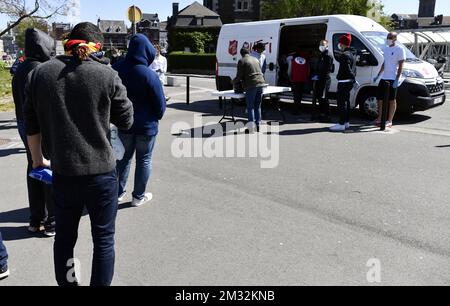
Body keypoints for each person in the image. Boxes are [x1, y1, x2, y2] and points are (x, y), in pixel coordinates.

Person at [24, 22, 134, 286]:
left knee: (64, 239)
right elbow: (127, 120)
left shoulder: (40, 74)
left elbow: (31, 125)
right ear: (97, 46)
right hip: (101, 174)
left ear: (69, 42)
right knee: (104, 240)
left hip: (63, 171)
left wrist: (37, 160)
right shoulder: (106, 75)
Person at [113, 34, 166, 207]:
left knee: (123, 159)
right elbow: (160, 105)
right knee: (144, 160)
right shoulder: (149, 75)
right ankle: (138, 196)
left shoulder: (116, 69)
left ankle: (118, 193)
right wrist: (156, 116)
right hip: (146, 125)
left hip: (123, 123)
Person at [12, 28, 55, 237]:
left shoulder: (20, 69)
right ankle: (51, 221)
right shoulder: (40, 70)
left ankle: (35, 219)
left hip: (23, 125)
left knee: (33, 167)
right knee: (47, 169)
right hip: (40, 126)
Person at [372, 32, 406, 128]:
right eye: (387, 37)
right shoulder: (386, 49)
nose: (388, 39)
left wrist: (397, 78)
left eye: (390, 37)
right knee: (380, 99)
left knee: (392, 99)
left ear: (395, 39)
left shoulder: (400, 49)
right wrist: (378, 74)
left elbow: (401, 64)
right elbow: (385, 63)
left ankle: (390, 120)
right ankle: (379, 118)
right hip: (384, 77)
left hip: (393, 78)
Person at [234, 47, 266, 133]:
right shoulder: (255, 59)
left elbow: (239, 76)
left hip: (251, 85)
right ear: (248, 52)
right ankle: (258, 125)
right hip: (261, 83)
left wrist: (233, 81)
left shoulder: (242, 61)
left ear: (241, 54)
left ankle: (251, 128)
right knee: (257, 106)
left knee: (250, 107)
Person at [330, 34, 357, 132]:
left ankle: (341, 123)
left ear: (342, 44)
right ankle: (346, 122)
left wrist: (351, 76)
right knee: (346, 102)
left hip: (344, 81)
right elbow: (354, 69)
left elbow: (347, 69)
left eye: (340, 43)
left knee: (341, 103)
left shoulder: (344, 55)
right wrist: (353, 78)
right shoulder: (352, 54)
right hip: (348, 82)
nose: (339, 45)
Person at [314, 40, 334, 122]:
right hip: (320, 79)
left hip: (325, 80)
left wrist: (319, 75)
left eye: (323, 44)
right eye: (320, 44)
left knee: (324, 98)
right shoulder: (322, 54)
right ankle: (322, 114)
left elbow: (326, 69)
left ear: (327, 46)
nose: (321, 46)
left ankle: (327, 116)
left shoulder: (328, 55)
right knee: (320, 98)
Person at [287, 46, 310, 115]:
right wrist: (307, 77)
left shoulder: (292, 60)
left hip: (295, 79)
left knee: (296, 95)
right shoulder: (306, 60)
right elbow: (308, 70)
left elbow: (289, 70)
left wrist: (289, 77)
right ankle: (299, 107)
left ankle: (295, 110)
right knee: (300, 94)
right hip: (303, 79)